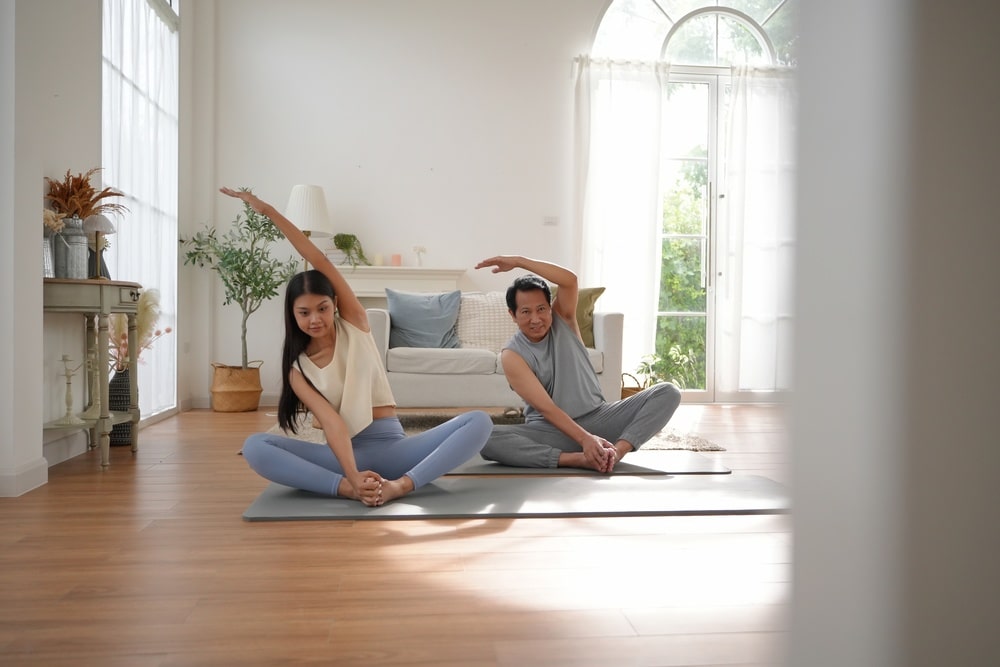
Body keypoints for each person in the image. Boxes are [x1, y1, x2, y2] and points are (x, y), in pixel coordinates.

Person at [227, 187, 491, 506]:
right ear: (292, 314)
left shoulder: (354, 323)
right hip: (342, 458)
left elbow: (319, 259)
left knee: (479, 421)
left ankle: (401, 487)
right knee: (256, 446)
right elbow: (333, 423)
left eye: (322, 308)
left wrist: (269, 212)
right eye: (304, 312)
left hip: (396, 452)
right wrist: (352, 478)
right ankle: (345, 490)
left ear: (335, 304)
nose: (315, 319)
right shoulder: (297, 369)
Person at [475, 255, 681, 472]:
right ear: (513, 315)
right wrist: (585, 440)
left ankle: (613, 454)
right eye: (526, 312)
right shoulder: (512, 355)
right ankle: (577, 459)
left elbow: (569, 280)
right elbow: (547, 409)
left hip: (600, 417)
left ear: (549, 307)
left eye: (541, 309)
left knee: (668, 392)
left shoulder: (563, 318)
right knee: (486, 437)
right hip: (552, 431)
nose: (536, 318)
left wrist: (518, 261)